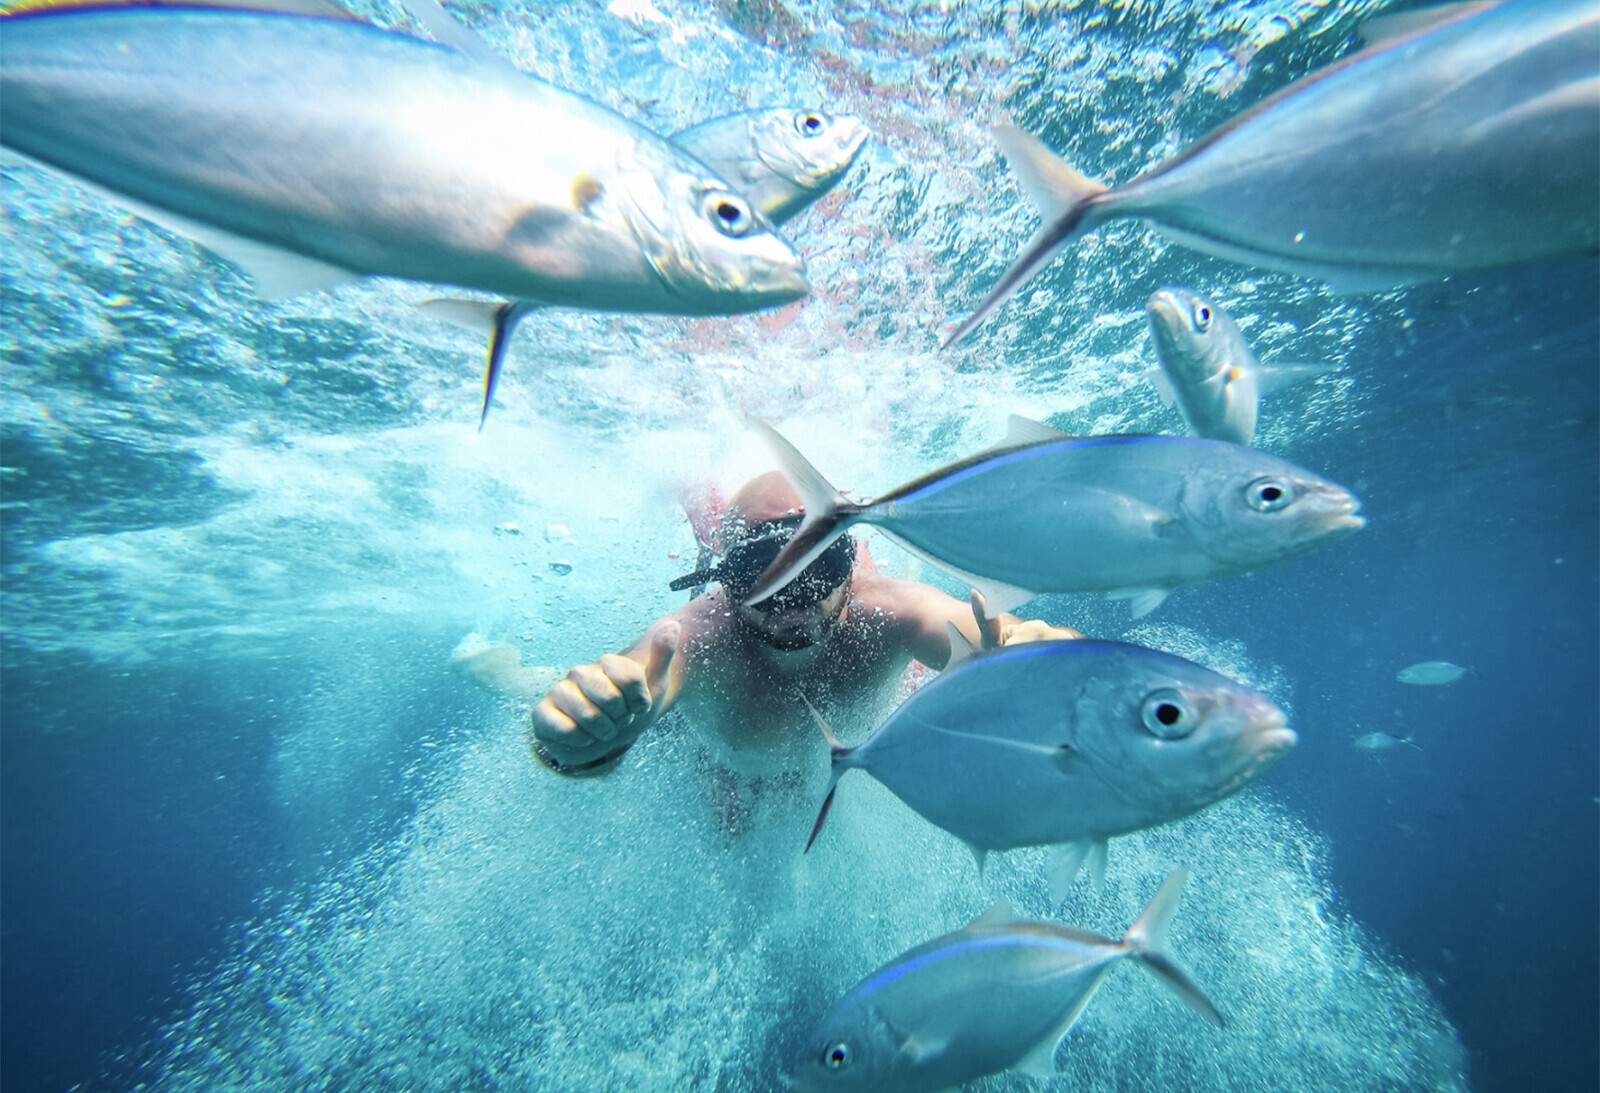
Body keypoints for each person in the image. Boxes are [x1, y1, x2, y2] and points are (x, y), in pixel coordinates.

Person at [460, 471, 1082, 778]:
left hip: (829, 757)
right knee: (559, 697)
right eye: (763, 571)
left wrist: (1044, 666)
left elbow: (963, 628)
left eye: (816, 566)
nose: (795, 603)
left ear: (850, 565)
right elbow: (639, 681)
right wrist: (581, 739)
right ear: (723, 579)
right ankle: (501, 668)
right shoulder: (701, 637)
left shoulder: (890, 611)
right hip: (713, 762)